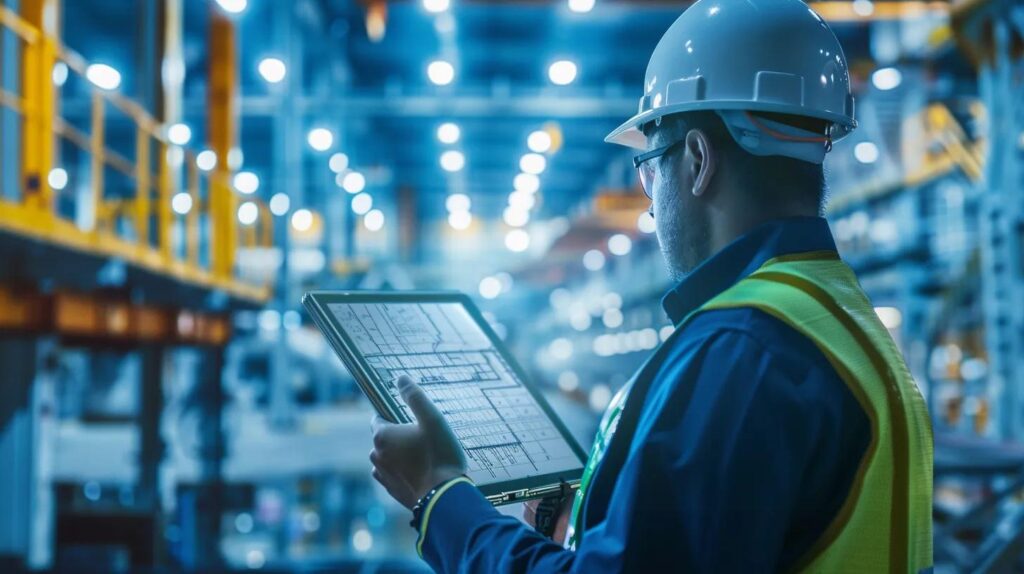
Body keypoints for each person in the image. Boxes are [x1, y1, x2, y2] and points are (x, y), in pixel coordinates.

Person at [369, 0, 934, 571]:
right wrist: (602, 515)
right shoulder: (839, 320)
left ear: (696, 159)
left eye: (649, 166)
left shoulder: (740, 347)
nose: (649, 196)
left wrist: (441, 498)